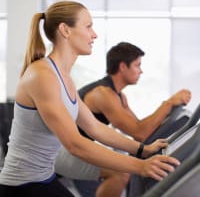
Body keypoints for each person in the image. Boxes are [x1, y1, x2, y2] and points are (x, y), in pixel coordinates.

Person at [0, 1, 180, 197]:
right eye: (88, 27)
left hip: (43, 178)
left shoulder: (63, 76)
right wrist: (141, 166)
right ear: (65, 30)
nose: (94, 34)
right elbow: (74, 144)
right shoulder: (43, 75)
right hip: (21, 186)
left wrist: (142, 149)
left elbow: (94, 126)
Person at [68, 42, 192, 196]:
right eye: (137, 65)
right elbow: (140, 133)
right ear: (122, 67)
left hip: (77, 148)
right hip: (66, 150)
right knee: (120, 173)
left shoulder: (119, 96)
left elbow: (140, 129)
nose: (141, 71)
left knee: (125, 168)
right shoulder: (103, 94)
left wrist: (168, 109)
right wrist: (169, 103)